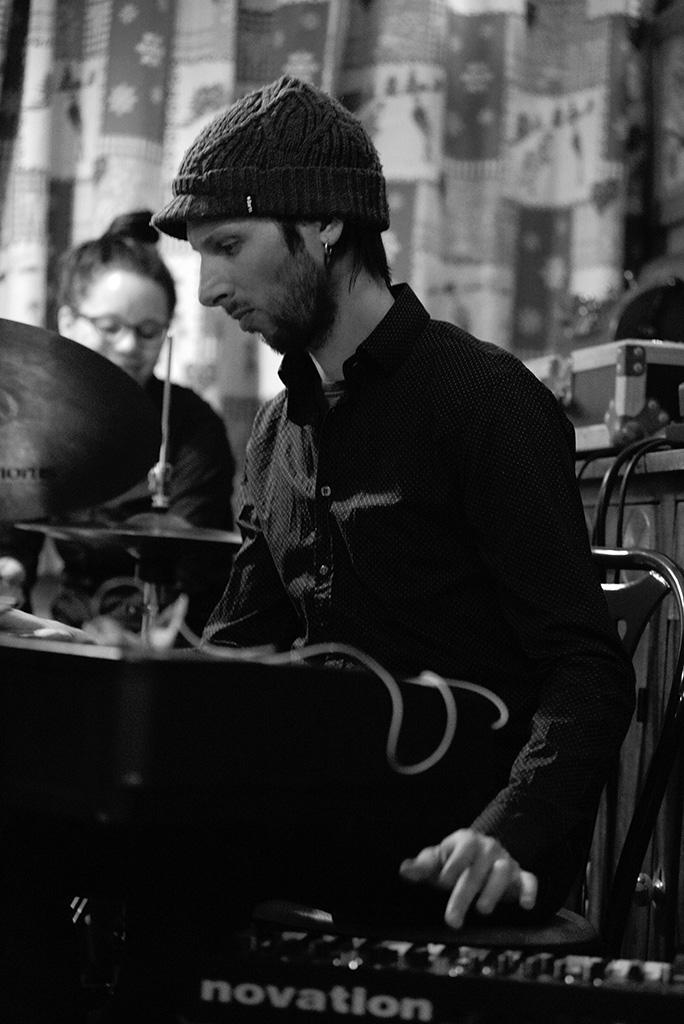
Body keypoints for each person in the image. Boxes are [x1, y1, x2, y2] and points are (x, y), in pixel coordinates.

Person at [149, 74, 635, 931]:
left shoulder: (483, 401)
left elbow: (588, 671)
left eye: (228, 244)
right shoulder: (275, 432)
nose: (208, 290)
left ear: (327, 223)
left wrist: (506, 832)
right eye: (201, 255)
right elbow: (235, 658)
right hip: (327, 806)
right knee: (90, 852)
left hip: (453, 835)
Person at [0, 227, 236, 637]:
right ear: (68, 321)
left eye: (148, 332)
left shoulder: (194, 427)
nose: (129, 346)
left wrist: (99, 640)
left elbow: (193, 574)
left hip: (164, 645)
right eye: (110, 327)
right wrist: (11, 567)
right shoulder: (34, 420)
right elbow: (16, 532)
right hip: (61, 631)